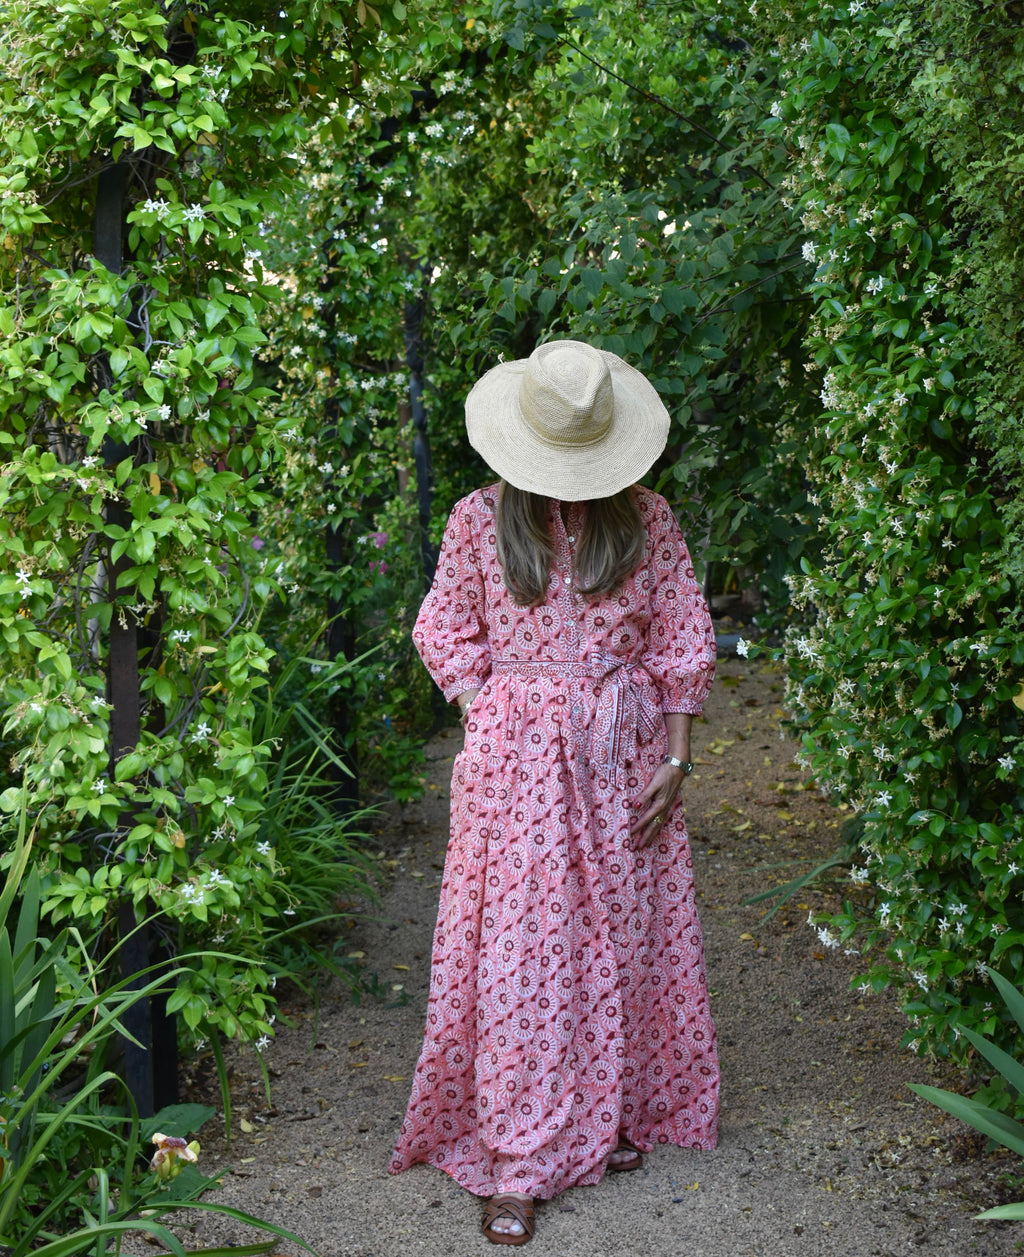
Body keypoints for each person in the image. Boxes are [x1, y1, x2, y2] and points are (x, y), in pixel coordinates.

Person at [389, 339, 719, 1245]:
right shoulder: (476, 520)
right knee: (524, 952)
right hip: (517, 766)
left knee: (622, 932)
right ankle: (519, 1153)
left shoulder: (648, 518)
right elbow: (442, 628)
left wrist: (677, 760)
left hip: (623, 753)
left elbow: (683, 639)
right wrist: (492, 709)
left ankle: (606, 1111)